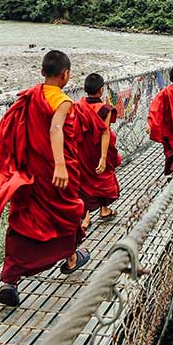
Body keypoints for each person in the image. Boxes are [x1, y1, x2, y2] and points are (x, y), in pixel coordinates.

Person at [0, 50, 91, 307]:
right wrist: (61, 165)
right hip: (56, 173)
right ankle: (71, 258)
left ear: (42, 72)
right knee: (68, 212)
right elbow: (55, 128)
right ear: (66, 75)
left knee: (23, 221)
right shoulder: (63, 101)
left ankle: (10, 280)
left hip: (31, 173)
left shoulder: (31, 97)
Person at [73, 73, 121, 230]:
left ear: (84, 89)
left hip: (82, 151)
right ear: (101, 90)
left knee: (85, 183)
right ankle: (103, 210)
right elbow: (105, 133)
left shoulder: (78, 107)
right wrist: (103, 157)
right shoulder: (105, 109)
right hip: (99, 150)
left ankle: (89, 217)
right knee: (105, 178)